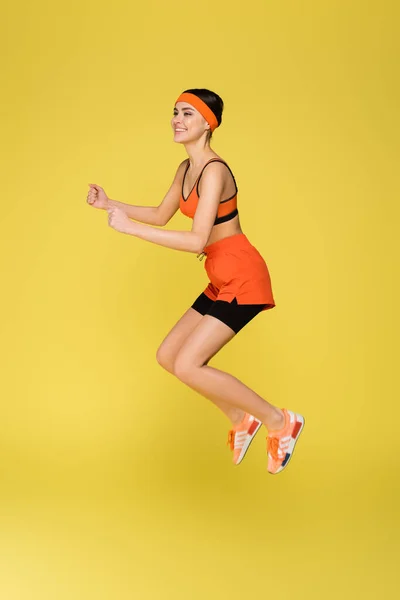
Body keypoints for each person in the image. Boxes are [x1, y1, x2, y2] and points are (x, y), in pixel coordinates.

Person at [86, 88, 305, 474]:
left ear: (208, 123)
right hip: (220, 276)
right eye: (174, 112)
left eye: (187, 113)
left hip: (242, 275)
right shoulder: (185, 170)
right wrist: (111, 204)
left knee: (189, 363)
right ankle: (241, 417)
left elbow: (196, 240)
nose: (177, 119)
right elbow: (159, 214)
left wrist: (130, 231)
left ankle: (280, 421)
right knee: (168, 356)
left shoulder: (215, 171)